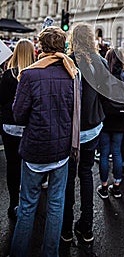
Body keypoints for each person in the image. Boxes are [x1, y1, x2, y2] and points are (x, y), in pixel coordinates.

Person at [9, 26, 79, 257]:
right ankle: (51, 253)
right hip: (61, 149)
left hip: (35, 149)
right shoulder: (72, 72)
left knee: (28, 205)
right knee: (56, 205)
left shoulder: (29, 74)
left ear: (41, 46)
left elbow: (18, 114)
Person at [61, 23, 107, 244]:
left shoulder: (66, 61)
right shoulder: (101, 62)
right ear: (91, 39)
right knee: (86, 174)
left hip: (70, 131)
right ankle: (87, 228)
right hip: (92, 128)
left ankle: (66, 229)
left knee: (68, 178)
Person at [0, 39, 35, 221]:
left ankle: (14, 203)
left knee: (12, 164)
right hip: (28, 126)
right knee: (28, 165)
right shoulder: (36, 74)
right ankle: (27, 202)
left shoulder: (7, 75)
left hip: (10, 126)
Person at [97, 48, 124, 199]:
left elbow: (98, 100)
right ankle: (117, 187)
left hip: (105, 120)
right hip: (120, 121)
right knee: (117, 152)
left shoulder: (103, 77)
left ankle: (104, 187)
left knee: (104, 154)